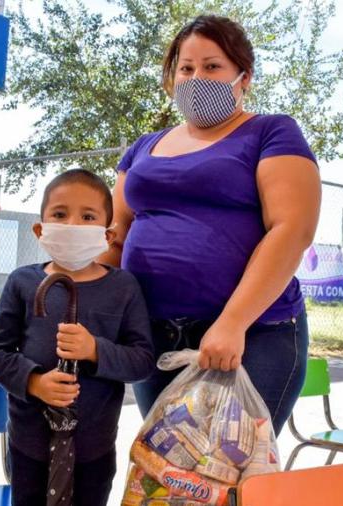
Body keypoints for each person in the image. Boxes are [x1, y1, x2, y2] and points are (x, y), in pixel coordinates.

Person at [100, 15, 321, 435]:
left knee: (231, 466)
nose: (196, 78)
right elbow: (116, 235)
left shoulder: (271, 132)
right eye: (186, 68)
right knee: (166, 465)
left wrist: (233, 322)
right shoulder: (144, 147)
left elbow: (292, 229)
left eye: (212, 66)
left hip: (253, 334)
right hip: (155, 337)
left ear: (244, 77)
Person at [0, 169, 154, 506]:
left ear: (108, 235)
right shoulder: (22, 282)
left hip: (94, 448)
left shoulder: (123, 287)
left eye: (88, 217)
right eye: (60, 214)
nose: (73, 224)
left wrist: (95, 350)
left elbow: (142, 360)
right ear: (40, 229)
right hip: (29, 444)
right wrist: (33, 382)